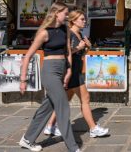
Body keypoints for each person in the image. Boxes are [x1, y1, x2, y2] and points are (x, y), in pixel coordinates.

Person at [18, 2, 80, 152]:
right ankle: (73, 147)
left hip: (62, 69)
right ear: (56, 13)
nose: (67, 16)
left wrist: (69, 70)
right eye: (65, 13)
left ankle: (27, 139)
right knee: (63, 105)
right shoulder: (44, 33)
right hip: (49, 71)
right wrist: (23, 79)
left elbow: (68, 52)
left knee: (48, 107)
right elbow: (27, 57)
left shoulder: (65, 30)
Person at [44, 10, 109, 138]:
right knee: (85, 98)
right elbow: (65, 53)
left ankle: (50, 126)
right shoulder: (69, 34)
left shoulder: (79, 34)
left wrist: (87, 49)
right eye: (82, 19)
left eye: (84, 19)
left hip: (76, 70)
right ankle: (93, 128)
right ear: (73, 20)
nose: (85, 22)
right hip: (72, 72)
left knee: (64, 100)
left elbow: (80, 56)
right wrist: (78, 48)